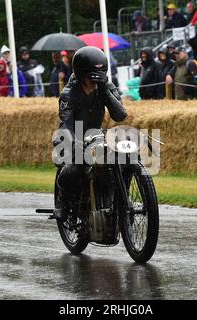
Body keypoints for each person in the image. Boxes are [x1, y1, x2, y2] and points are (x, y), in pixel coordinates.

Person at [52, 46, 127, 221]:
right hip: (70, 134)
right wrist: (74, 143)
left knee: (116, 162)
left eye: (97, 79)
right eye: (90, 79)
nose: (93, 84)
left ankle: (112, 202)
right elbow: (66, 124)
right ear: (80, 75)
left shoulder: (106, 86)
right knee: (74, 168)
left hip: (95, 135)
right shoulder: (68, 94)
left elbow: (120, 115)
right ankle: (63, 200)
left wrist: (105, 91)